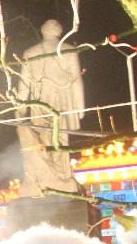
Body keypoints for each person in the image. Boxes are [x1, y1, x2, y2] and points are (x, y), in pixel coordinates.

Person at [16, 19, 86, 197]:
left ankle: (51, 176)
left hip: (39, 101)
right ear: (59, 31)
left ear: (43, 31)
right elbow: (76, 80)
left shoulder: (30, 52)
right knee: (59, 138)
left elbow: (24, 84)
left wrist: (20, 107)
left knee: (43, 136)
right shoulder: (68, 50)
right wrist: (80, 108)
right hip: (60, 100)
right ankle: (60, 175)